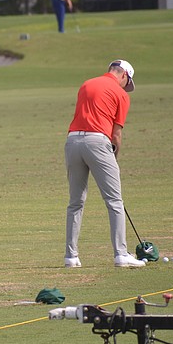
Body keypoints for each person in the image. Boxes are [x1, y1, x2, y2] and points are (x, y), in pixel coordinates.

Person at [64, 60, 146, 269]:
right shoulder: (121, 95)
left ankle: (71, 257)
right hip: (97, 142)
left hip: (73, 141)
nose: (125, 87)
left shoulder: (86, 84)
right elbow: (116, 134)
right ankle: (121, 254)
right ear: (124, 75)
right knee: (114, 201)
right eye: (126, 82)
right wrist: (114, 156)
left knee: (75, 202)